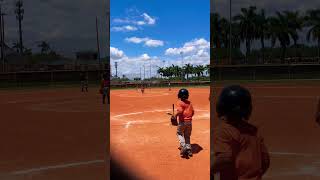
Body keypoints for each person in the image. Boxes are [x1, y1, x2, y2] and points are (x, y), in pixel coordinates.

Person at [212, 85, 270, 180]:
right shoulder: (253, 131)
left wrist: (211, 171)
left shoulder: (223, 130)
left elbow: (225, 158)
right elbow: (265, 160)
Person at [171, 88, 195, 157]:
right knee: (187, 136)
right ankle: (189, 149)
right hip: (189, 122)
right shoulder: (189, 103)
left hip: (182, 122)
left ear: (179, 95)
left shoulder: (180, 102)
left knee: (179, 133)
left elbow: (180, 111)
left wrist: (175, 115)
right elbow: (192, 112)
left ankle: (183, 145)